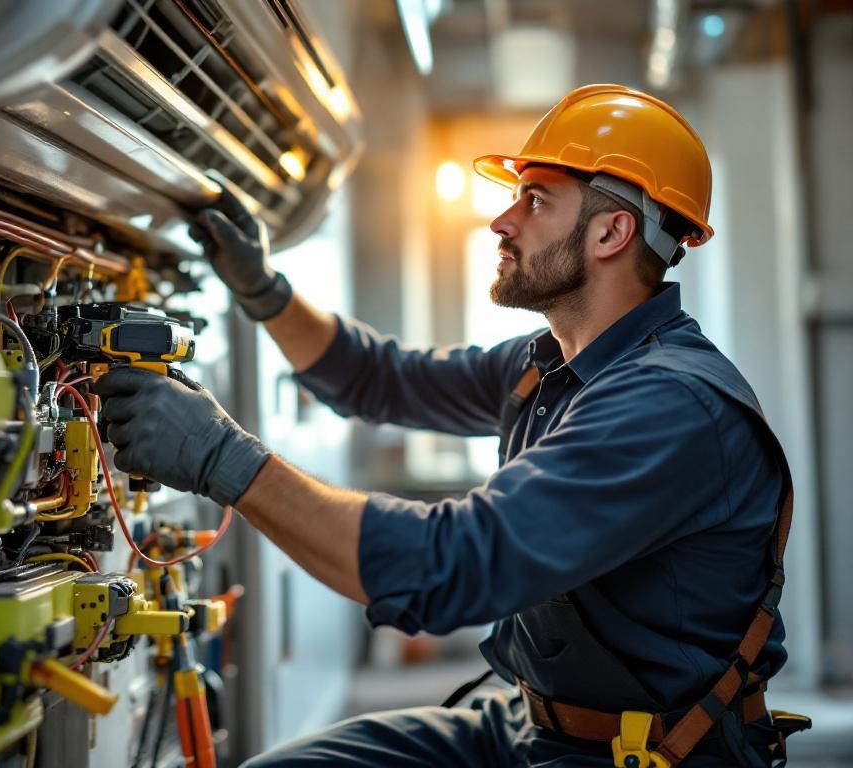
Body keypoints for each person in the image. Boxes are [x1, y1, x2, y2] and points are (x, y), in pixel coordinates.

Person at [94, 85, 808, 767]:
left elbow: (453, 568)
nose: (503, 221)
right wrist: (264, 292)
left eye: (535, 200)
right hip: (525, 723)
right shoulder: (550, 364)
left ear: (612, 232)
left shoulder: (667, 407)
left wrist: (222, 459)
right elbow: (378, 377)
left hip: (642, 753)